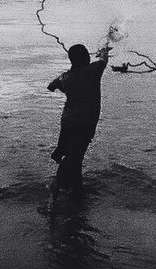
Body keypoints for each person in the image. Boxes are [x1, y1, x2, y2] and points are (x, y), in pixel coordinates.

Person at [47, 42, 109, 193]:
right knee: (75, 157)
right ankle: (59, 185)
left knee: (72, 154)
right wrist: (103, 51)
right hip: (85, 121)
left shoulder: (66, 77)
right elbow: (103, 60)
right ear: (86, 57)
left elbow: (51, 86)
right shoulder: (93, 71)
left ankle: (73, 187)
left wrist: (61, 85)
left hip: (67, 121)